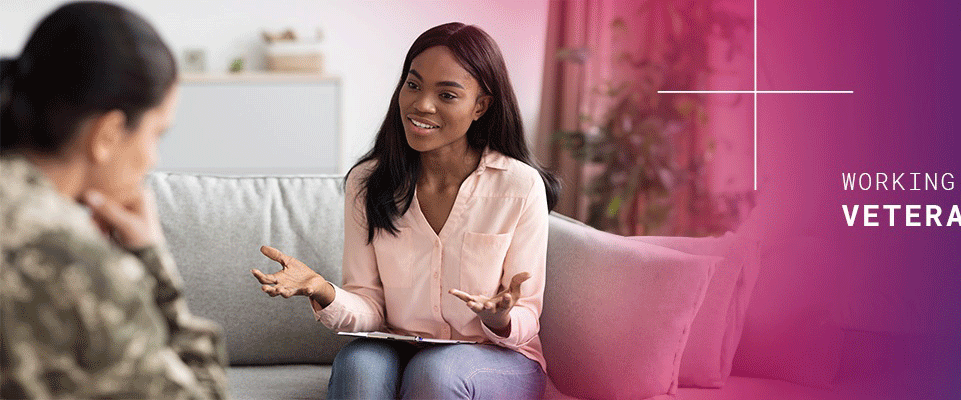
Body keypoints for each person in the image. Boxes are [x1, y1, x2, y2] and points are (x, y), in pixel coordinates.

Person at [251, 22, 559, 399]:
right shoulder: (368, 183)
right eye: (413, 85)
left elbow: (527, 314)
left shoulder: (518, 186)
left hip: (496, 356)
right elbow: (369, 306)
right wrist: (322, 289)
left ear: (481, 105)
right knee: (359, 364)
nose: (421, 105)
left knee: (435, 372)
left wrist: (500, 317)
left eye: (447, 95)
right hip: (401, 347)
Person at [0, 2, 228, 398]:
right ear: (106, 134)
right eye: (157, 133)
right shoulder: (78, 265)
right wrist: (152, 259)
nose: (153, 159)